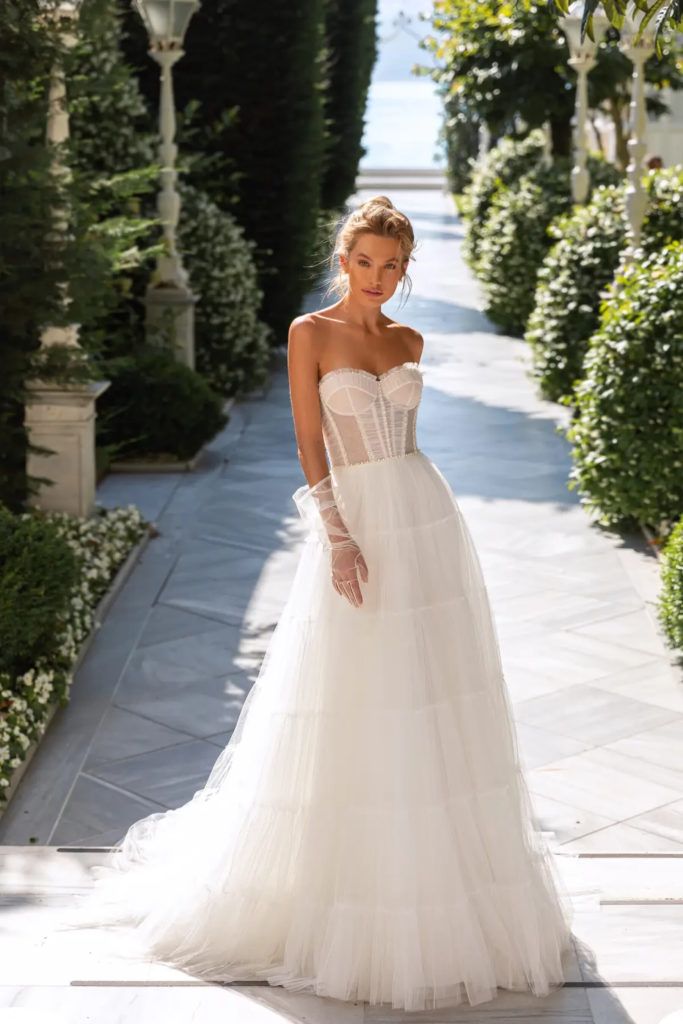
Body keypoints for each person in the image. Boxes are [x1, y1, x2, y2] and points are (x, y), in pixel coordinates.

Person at [63, 195, 576, 1012]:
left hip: (424, 516)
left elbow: (408, 442)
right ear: (344, 260)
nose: (377, 278)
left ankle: (441, 873)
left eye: (392, 266)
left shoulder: (410, 340)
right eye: (365, 262)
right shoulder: (310, 333)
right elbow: (310, 443)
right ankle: (341, 882)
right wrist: (337, 535)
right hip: (357, 520)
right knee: (351, 693)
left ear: (405, 273)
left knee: (433, 692)